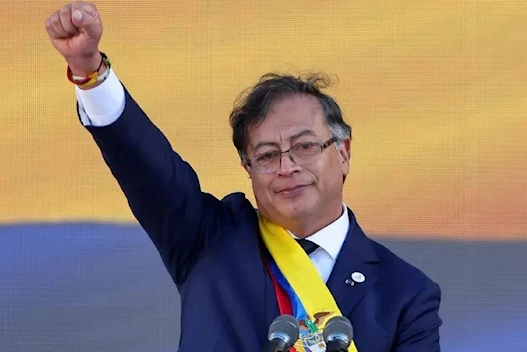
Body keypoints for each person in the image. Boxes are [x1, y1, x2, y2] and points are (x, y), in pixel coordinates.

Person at [45, 2, 442, 351]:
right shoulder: (207, 239)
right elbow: (146, 166)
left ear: (343, 152)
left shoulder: (405, 294)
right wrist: (90, 71)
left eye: (304, 146)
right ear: (247, 169)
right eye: (267, 155)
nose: (287, 167)